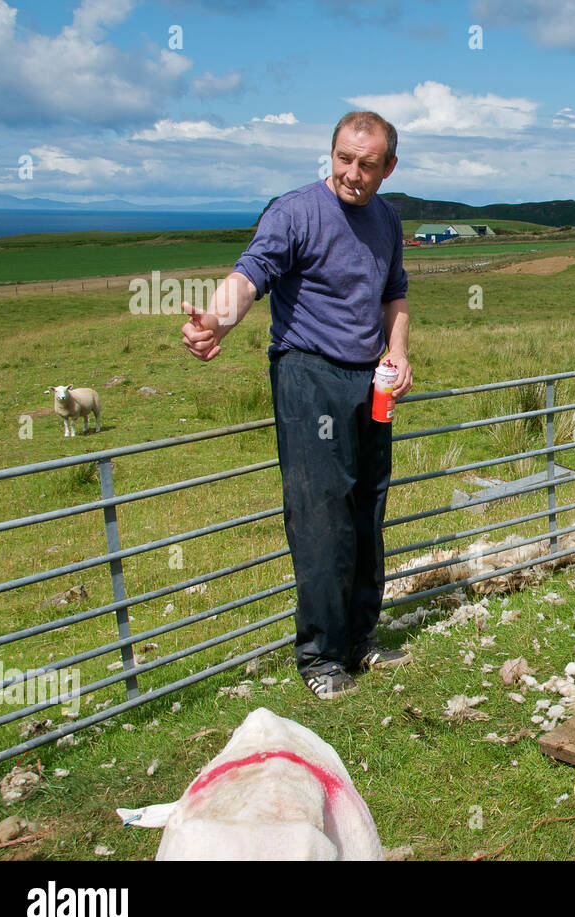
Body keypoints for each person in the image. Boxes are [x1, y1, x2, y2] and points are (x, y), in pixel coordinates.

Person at [180, 111, 414, 699]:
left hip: (371, 381)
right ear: (330, 153)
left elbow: (395, 292)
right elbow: (251, 273)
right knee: (321, 517)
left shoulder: (386, 218)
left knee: (367, 509)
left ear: (389, 167)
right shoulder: (295, 212)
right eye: (343, 158)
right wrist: (215, 323)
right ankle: (321, 656)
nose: (352, 174)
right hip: (308, 373)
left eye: (366, 163)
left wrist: (399, 353)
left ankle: (361, 639)